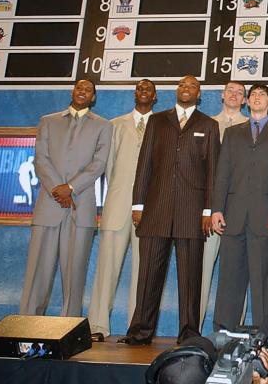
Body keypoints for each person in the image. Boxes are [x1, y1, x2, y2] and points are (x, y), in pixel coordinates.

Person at [122, 75, 221, 344]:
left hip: (192, 212)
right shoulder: (157, 121)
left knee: (191, 278)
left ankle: (189, 334)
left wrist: (208, 210)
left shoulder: (209, 125)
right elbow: (144, 166)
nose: (186, 89)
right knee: (148, 275)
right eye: (182, 85)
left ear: (199, 94)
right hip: (155, 210)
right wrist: (138, 204)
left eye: (192, 86)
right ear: (176, 91)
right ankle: (140, 331)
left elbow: (213, 171)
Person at [20, 79, 112, 318]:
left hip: (80, 207)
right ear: (73, 92)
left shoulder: (103, 126)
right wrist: (57, 190)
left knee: (74, 273)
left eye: (88, 90)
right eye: (79, 88)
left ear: (93, 97)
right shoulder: (48, 121)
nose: (83, 92)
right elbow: (41, 160)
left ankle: (68, 324)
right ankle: (28, 321)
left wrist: (70, 187)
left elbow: (99, 164)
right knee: (37, 271)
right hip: (49, 205)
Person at [211, 84, 268, 342]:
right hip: (233, 217)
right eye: (254, 95)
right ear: (247, 101)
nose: (257, 98)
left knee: (265, 280)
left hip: (266, 217)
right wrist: (216, 209)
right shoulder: (233, 133)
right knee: (229, 280)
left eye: (263, 95)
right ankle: (223, 332)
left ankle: (265, 335)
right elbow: (222, 174)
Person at [88, 79, 157, 339]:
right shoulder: (115, 125)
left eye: (148, 90)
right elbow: (107, 168)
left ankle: (137, 328)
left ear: (155, 96)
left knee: (145, 274)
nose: (143, 93)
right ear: (134, 93)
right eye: (139, 88)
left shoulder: (163, 125)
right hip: (117, 207)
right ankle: (97, 326)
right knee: (106, 269)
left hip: (150, 211)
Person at [202, 81, 250, 329]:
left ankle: (233, 329)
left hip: (239, 210)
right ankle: (193, 328)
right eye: (230, 90)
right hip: (209, 209)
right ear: (222, 95)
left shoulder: (251, 127)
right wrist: (206, 208)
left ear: (245, 100)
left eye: (240, 93)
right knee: (202, 270)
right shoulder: (206, 123)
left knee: (237, 272)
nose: (234, 95)